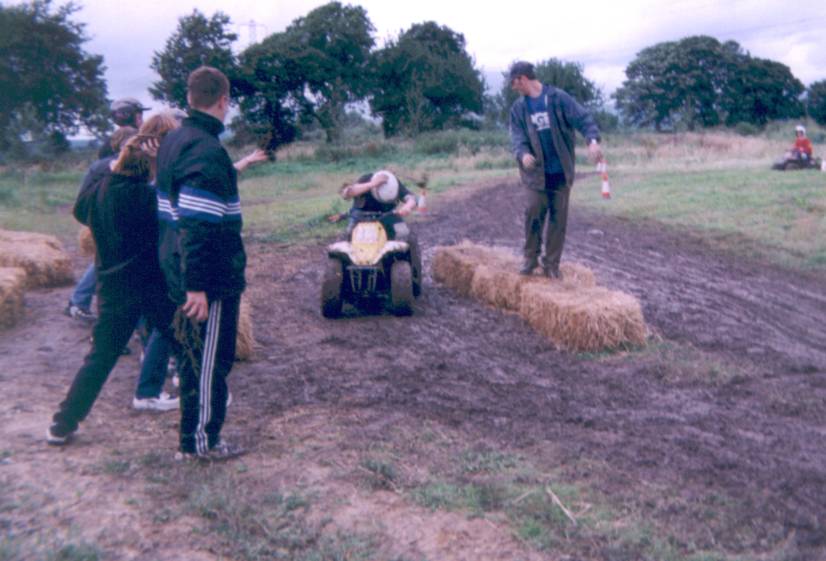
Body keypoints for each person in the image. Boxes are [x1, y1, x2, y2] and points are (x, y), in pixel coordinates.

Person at [155, 66, 267, 460]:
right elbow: (198, 226)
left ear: (190, 98)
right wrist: (197, 286)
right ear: (223, 100)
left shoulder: (174, 140)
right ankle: (201, 443)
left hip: (176, 267)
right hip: (209, 280)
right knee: (208, 363)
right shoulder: (207, 150)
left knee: (192, 359)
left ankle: (196, 438)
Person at [47, 133, 178, 445]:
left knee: (100, 357)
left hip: (111, 286)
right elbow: (173, 217)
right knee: (183, 340)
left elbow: (80, 211)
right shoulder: (147, 197)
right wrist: (162, 167)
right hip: (150, 285)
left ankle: (62, 424)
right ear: (148, 166)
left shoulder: (100, 190)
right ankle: (206, 403)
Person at [508, 61, 602, 278]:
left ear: (523, 79)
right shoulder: (518, 109)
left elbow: (584, 119)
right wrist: (523, 154)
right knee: (533, 211)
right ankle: (530, 259)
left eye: (514, 83)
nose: (513, 88)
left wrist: (592, 141)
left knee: (558, 220)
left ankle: (551, 265)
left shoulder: (558, 98)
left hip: (561, 171)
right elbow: (517, 137)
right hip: (535, 174)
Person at [64, 126, 139, 322]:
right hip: (107, 219)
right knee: (109, 260)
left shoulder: (100, 164)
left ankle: (79, 300)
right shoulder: (115, 165)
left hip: (96, 216)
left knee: (104, 258)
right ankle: (80, 301)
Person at [340, 170, 422, 296]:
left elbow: (411, 198)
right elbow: (347, 193)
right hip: (361, 217)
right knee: (348, 239)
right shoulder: (366, 178)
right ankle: (344, 278)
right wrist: (372, 184)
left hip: (387, 216)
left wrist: (408, 206)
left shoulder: (393, 183)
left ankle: (414, 280)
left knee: (407, 237)